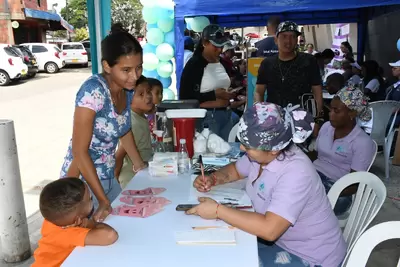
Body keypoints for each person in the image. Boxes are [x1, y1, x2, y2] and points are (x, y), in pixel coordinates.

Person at [186, 102, 346, 267]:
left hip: (312, 257)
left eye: (248, 145)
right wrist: (213, 179)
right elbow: (235, 170)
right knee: (219, 252)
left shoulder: (297, 172)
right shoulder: (261, 156)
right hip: (282, 242)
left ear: (274, 149)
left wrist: (218, 211)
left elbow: (270, 230)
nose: (242, 147)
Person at [60, 23, 147, 222]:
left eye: (138, 67)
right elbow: (79, 151)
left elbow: (123, 130)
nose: (134, 76)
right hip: (82, 186)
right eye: (126, 69)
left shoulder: (127, 88)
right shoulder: (93, 92)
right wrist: (101, 200)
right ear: (107, 66)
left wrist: (139, 165)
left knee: (124, 226)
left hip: (107, 176)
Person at [313, 87, 376, 215]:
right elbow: (315, 155)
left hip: (339, 188)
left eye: (336, 111)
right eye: (330, 109)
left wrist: (325, 192)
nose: (330, 114)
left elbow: (354, 184)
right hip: (314, 175)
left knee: (302, 202)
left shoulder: (362, 142)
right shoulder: (326, 127)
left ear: (352, 114)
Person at [32, 178, 118, 267]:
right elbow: (110, 235)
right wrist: (90, 223)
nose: (92, 199)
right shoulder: (68, 234)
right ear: (78, 218)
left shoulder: (52, 221)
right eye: (90, 198)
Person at [254, 21, 324, 117]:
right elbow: (259, 92)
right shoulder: (267, 63)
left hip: (303, 119)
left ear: (297, 40)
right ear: (276, 40)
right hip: (274, 119)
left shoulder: (309, 61)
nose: (288, 41)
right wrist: (260, 114)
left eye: (293, 36)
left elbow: (317, 92)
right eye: (284, 36)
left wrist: (317, 120)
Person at [179, 24, 236, 141]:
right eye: (215, 46)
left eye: (221, 46)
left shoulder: (220, 62)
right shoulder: (195, 65)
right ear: (205, 43)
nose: (219, 50)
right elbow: (186, 97)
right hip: (207, 117)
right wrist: (214, 94)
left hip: (226, 114)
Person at [115, 76, 154, 189]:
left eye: (149, 91)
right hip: (131, 180)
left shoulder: (140, 116)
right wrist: (115, 178)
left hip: (141, 176)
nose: (148, 97)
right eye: (141, 94)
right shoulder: (134, 123)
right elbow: (120, 154)